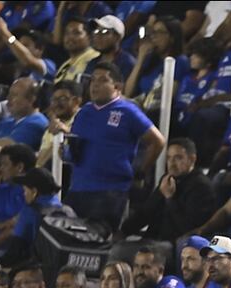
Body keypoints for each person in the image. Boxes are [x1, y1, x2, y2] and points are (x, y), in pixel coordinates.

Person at [65, 62, 166, 230]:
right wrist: (66, 153)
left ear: (117, 86)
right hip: (78, 187)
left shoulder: (128, 111)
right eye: (93, 80)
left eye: (102, 80)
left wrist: (140, 173)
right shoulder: (83, 113)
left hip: (110, 191)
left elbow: (157, 141)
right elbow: (77, 147)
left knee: (96, 242)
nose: (95, 84)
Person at [122, 137, 217, 243]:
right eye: (169, 158)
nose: (171, 163)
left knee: (119, 252)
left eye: (178, 158)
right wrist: (123, 232)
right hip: (152, 240)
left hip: (176, 245)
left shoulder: (202, 187)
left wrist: (170, 199)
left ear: (192, 159)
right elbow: (147, 211)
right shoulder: (168, 179)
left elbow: (188, 229)